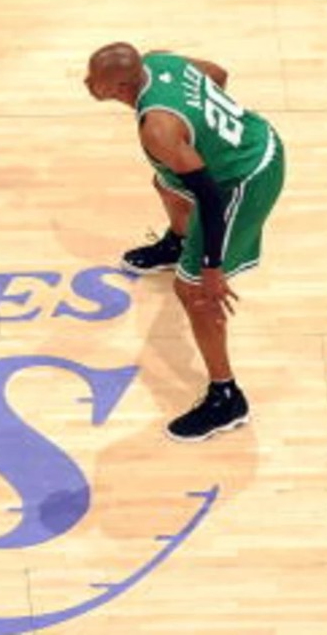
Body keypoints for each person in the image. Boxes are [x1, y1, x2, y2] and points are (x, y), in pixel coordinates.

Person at [85, 42, 286, 441]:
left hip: (244, 181)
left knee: (193, 292)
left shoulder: (159, 128)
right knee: (167, 180)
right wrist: (209, 131)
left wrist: (211, 269)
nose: (86, 82)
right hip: (258, 137)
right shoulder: (159, 61)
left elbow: (210, 199)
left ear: (119, 87)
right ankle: (178, 242)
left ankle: (226, 398)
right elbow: (219, 74)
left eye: (95, 80)